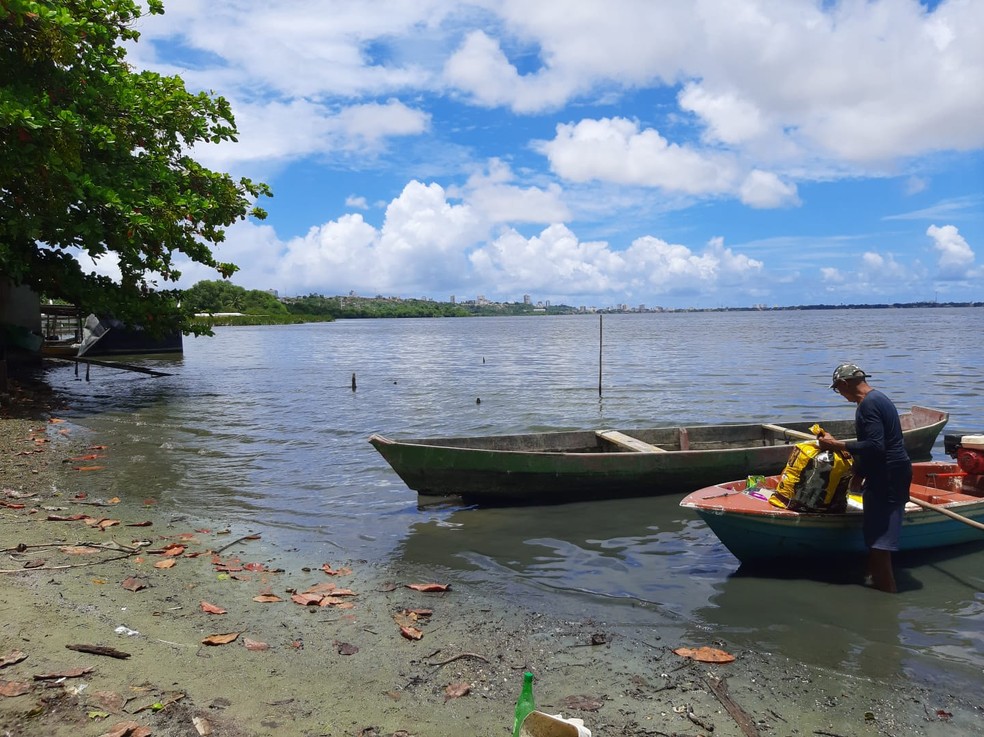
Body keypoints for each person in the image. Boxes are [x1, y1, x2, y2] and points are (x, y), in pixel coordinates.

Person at [817, 363, 912, 593]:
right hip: (887, 472)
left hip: (888, 475)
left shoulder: (868, 405)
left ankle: (888, 599)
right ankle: (871, 578)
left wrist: (835, 444)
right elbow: (880, 445)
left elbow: (875, 446)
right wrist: (860, 473)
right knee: (874, 537)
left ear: (843, 384)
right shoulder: (877, 399)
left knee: (880, 543)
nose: (840, 394)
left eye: (838, 390)